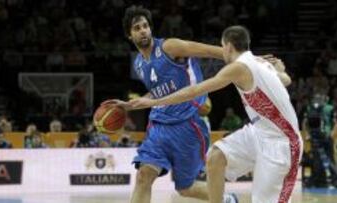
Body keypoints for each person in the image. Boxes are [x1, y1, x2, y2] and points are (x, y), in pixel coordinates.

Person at [130, 25, 303, 203]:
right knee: (216, 156)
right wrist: (280, 70)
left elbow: (194, 91)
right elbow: (286, 80)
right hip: (259, 132)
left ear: (227, 46)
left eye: (222, 47)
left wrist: (153, 102)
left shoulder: (238, 67)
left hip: (283, 142)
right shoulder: (262, 63)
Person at [101, 5, 239, 203]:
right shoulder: (139, 63)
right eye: (137, 28)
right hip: (159, 126)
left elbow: (209, 51)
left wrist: (244, 59)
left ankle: (226, 200)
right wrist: (130, 105)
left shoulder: (169, 47)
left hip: (188, 125)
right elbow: (159, 92)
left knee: (186, 188)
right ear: (129, 35)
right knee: (143, 177)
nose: (142, 30)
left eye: (145, 26)